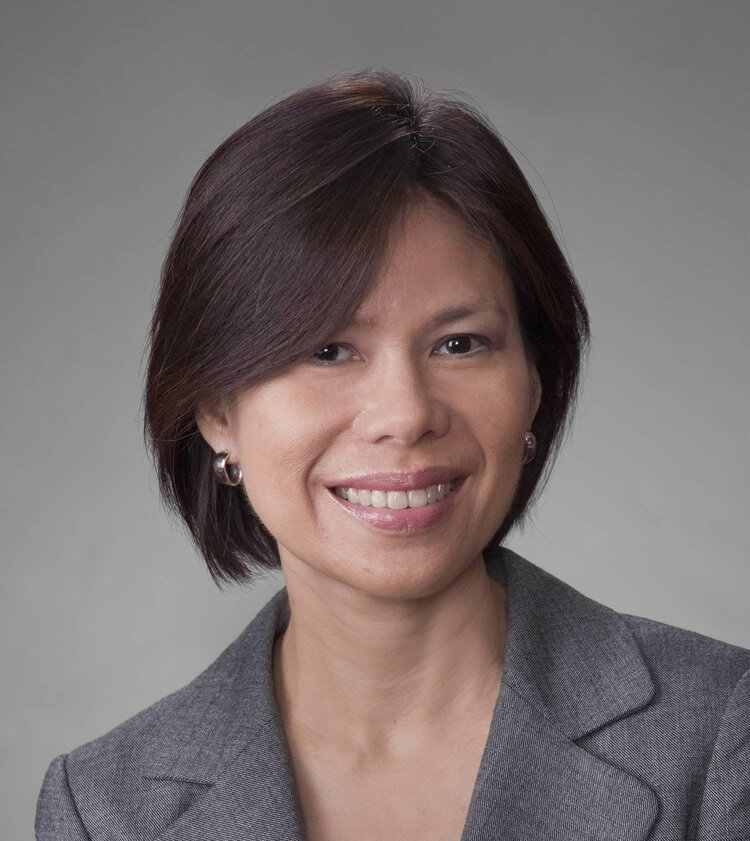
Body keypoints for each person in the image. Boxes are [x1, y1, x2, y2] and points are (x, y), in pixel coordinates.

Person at [36, 68, 749, 841]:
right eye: (329, 349)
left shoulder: (718, 736)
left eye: (459, 343)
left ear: (535, 383)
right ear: (216, 411)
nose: (405, 414)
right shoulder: (105, 808)